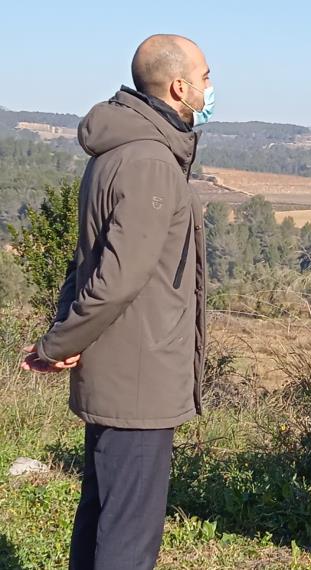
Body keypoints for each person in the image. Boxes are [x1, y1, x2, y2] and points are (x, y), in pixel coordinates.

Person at [20, 34, 213, 570]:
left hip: (119, 364)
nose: (209, 87)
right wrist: (60, 340)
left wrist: (64, 335)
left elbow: (86, 263)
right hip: (139, 371)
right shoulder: (150, 162)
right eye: (204, 77)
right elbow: (116, 278)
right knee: (129, 531)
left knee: (104, 512)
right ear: (179, 87)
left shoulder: (121, 151)